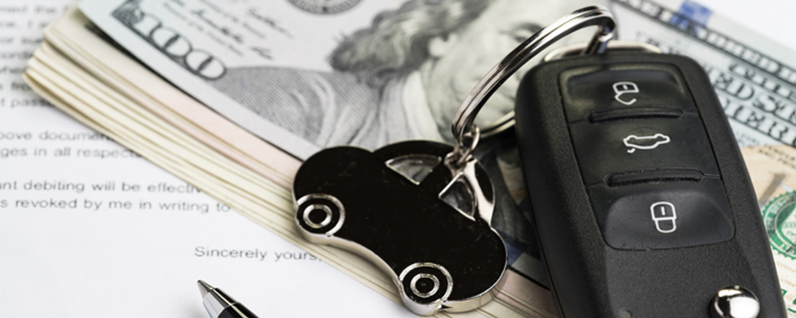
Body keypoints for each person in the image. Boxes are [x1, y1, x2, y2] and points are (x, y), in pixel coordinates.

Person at [209, 0, 598, 273]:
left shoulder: (523, 213)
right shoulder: (289, 100)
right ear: (445, 32)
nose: (533, 75)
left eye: (559, 63)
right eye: (523, 37)